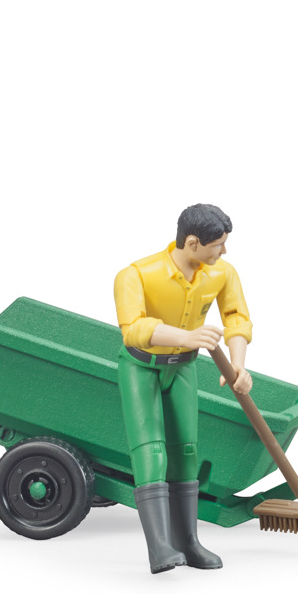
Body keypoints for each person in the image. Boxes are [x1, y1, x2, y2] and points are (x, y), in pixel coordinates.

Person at [114, 204, 253, 573]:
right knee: (151, 452)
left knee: (186, 452)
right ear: (193, 243)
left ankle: (188, 542)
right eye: (218, 245)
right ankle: (160, 547)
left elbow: (236, 317)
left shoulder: (221, 273)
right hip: (141, 368)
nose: (223, 251)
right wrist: (186, 336)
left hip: (184, 370)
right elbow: (133, 329)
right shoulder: (136, 275)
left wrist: (238, 362)